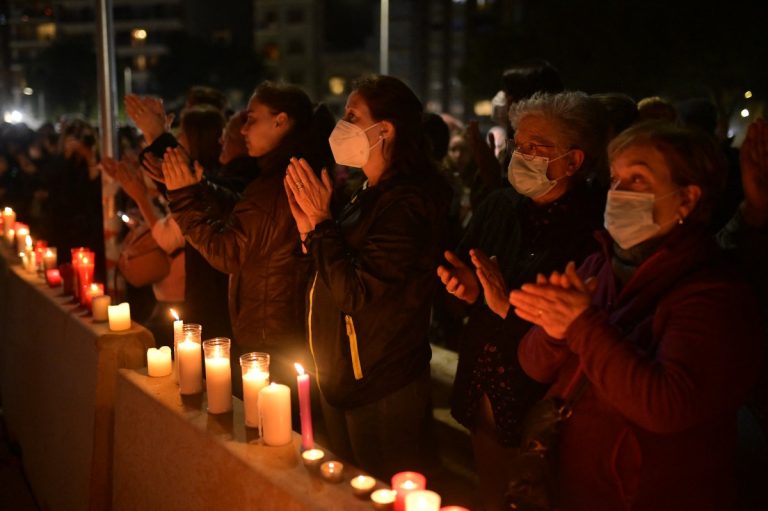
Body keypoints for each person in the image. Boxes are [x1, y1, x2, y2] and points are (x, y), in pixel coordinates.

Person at [509, 121, 763, 511]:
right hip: (576, 489)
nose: (618, 193)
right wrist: (553, 332)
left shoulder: (713, 294)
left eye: (638, 179)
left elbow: (666, 407)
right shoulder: (601, 265)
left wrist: (580, 326)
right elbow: (532, 363)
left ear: (687, 199)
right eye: (614, 179)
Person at [438, 91, 608, 510]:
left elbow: (580, 329)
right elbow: (469, 271)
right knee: (490, 490)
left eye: (538, 147)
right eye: (519, 143)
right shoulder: (499, 205)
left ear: (574, 161)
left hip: (542, 399)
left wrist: (505, 305)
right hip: (483, 379)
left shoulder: (592, 227)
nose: (523, 154)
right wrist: (465, 288)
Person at [284, 75, 451, 480]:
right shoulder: (370, 191)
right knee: (352, 489)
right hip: (345, 373)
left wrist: (322, 225)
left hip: (381, 380)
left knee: (385, 488)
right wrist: (311, 231)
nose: (343, 124)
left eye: (353, 115)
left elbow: (357, 292)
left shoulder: (406, 202)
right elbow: (337, 264)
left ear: (386, 130)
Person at [162, 81, 333, 391]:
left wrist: (185, 199)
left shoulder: (281, 179)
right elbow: (247, 215)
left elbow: (229, 252)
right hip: (277, 327)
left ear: (280, 120)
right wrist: (197, 189)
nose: (242, 130)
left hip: (273, 332)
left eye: (252, 118)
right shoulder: (281, 173)